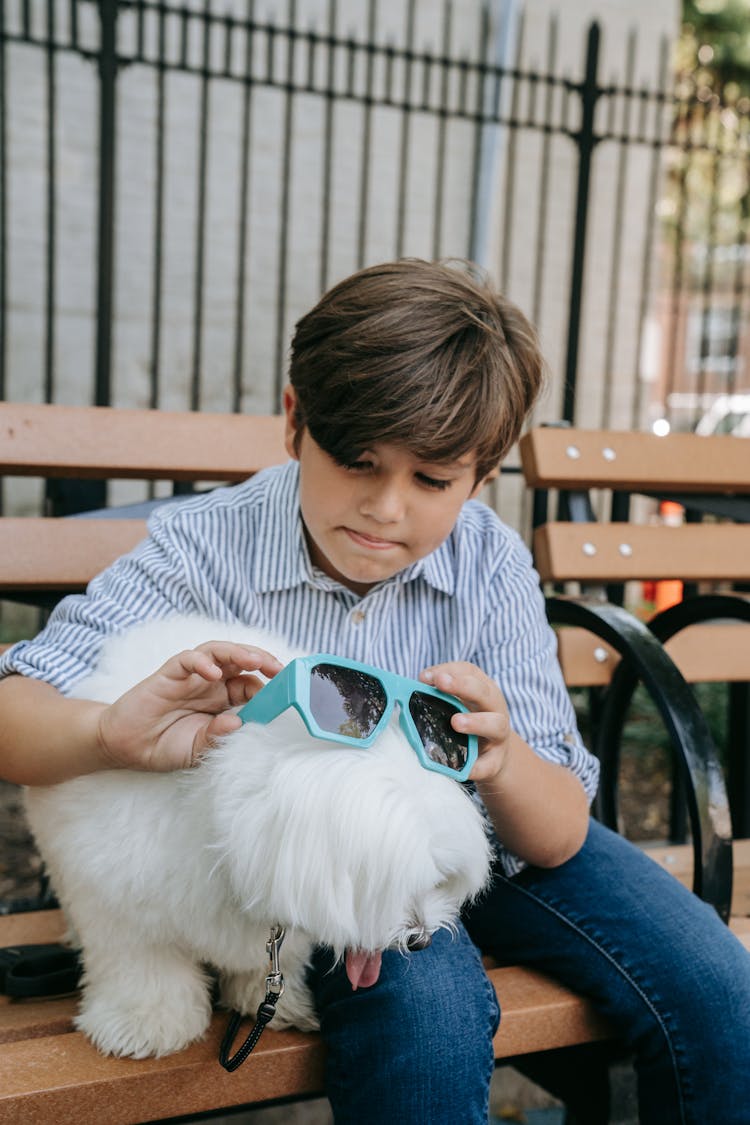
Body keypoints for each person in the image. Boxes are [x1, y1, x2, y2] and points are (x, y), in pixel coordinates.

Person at [0, 259, 748, 1124]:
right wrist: (106, 734)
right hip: (339, 872)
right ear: (294, 423)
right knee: (425, 1018)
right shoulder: (202, 548)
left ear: (480, 478)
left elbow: (556, 835)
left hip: (493, 844)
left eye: (432, 481)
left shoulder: (490, 565)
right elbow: (17, 708)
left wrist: (500, 765)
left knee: (717, 987)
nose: (386, 508)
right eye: (356, 460)